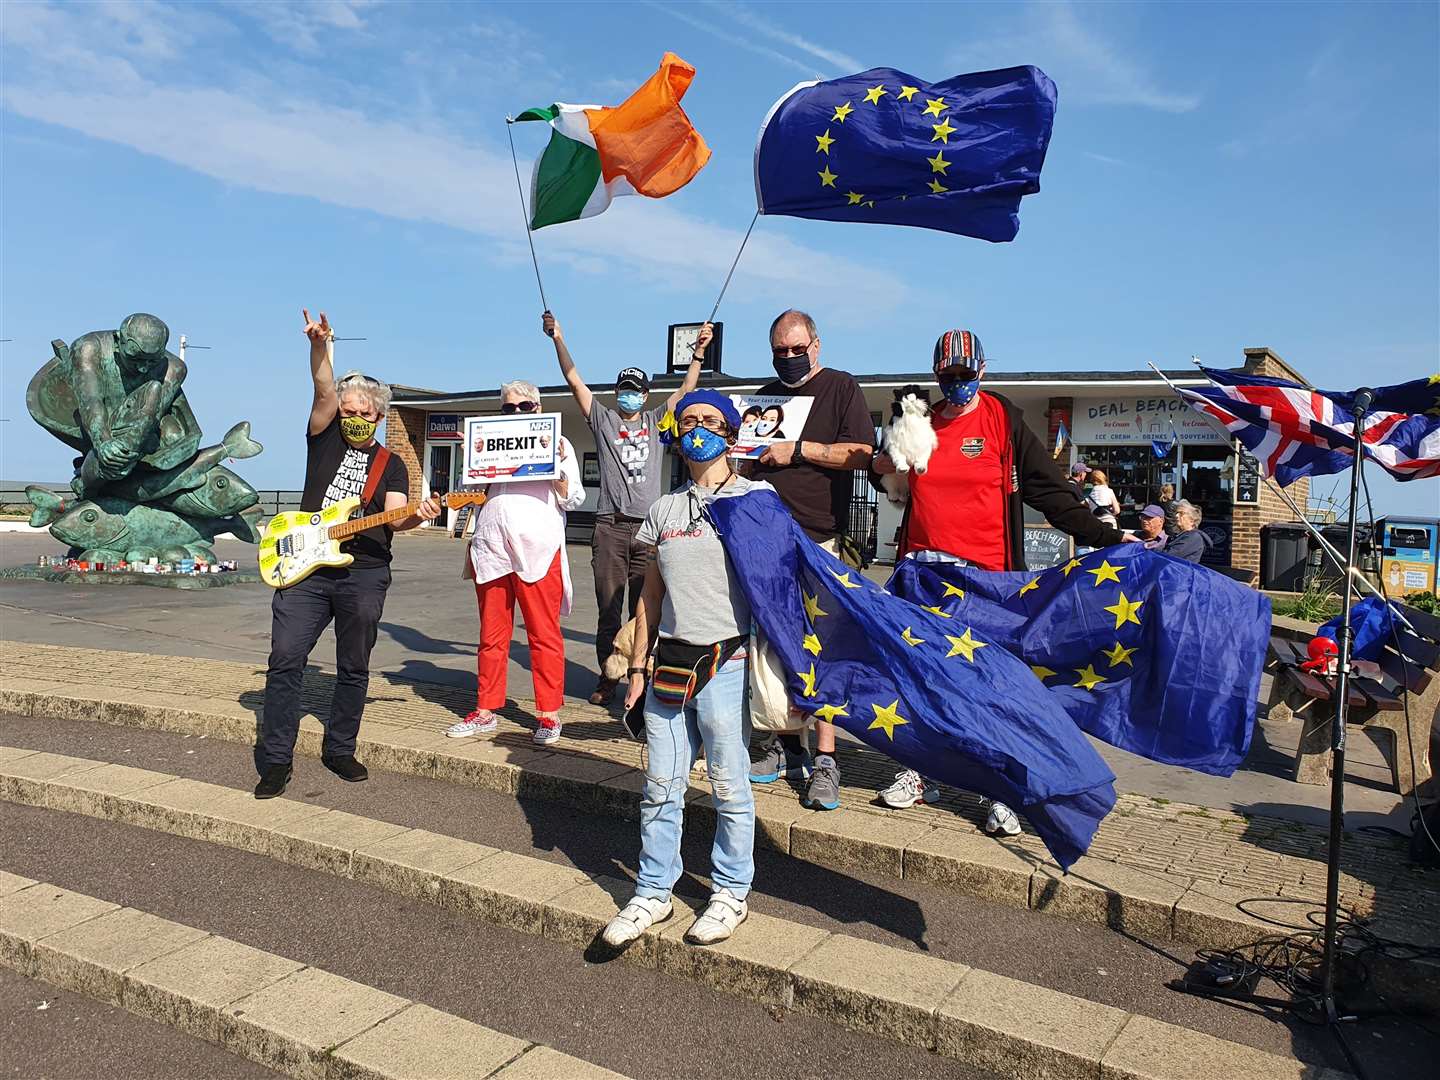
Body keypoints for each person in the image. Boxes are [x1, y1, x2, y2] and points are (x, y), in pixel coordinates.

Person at [871, 328, 1127, 831]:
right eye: (948, 376)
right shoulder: (916, 417)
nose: (957, 384)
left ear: (983, 371)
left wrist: (1105, 536)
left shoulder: (1001, 419)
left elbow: (1049, 492)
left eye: (966, 375)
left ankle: (1001, 787)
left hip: (988, 578)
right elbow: (896, 487)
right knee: (923, 677)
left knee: (990, 685)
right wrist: (885, 465)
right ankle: (921, 771)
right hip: (924, 574)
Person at [255, 309, 441, 799]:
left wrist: (422, 515)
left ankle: (340, 748)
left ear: (380, 418)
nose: (356, 419)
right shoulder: (324, 436)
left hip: (365, 573)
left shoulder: (392, 464)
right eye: (350, 411)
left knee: (354, 665)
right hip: (306, 569)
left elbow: (398, 518)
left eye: (366, 413)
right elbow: (321, 388)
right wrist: (319, 347)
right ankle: (275, 760)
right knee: (285, 657)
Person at [604, 390, 765, 948]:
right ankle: (652, 891)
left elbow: (779, 584)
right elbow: (651, 591)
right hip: (669, 664)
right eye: (690, 420)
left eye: (710, 421)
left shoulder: (756, 499)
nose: (698, 428)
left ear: (732, 433)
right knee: (660, 786)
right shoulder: (664, 510)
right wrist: (638, 666)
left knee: (728, 783)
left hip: (729, 660)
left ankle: (730, 892)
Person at [543, 312, 710, 706]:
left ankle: (643, 679)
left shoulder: (655, 421)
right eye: (623, 389)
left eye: (634, 390)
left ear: (646, 395)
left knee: (646, 612)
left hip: (649, 532)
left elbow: (687, 388)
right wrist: (558, 337)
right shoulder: (602, 420)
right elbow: (573, 379)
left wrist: (699, 351)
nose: (627, 395)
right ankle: (607, 677)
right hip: (609, 528)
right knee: (608, 609)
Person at [746, 309, 875, 812]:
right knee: (770, 645)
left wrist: (796, 449)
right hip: (767, 544)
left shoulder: (842, 388)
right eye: (781, 351)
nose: (791, 358)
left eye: (798, 349)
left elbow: (861, 453)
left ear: (816, 346)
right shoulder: (763, 399)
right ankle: (774, 741)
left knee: (825, 650)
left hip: (821, 541)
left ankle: (825, 759)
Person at [445, 380, 586, 744]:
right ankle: (486, 708)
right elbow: (473, 493)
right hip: (492, 547)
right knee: (491, 635)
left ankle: (549, 713)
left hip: (539, 548)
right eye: (509, 408)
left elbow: (575, 499)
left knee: (544, 634)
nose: (517, 413)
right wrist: (473, 460)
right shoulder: (489, 441)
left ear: (537, 409)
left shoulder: (560, 444)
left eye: (524, 407)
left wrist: (555, 466)